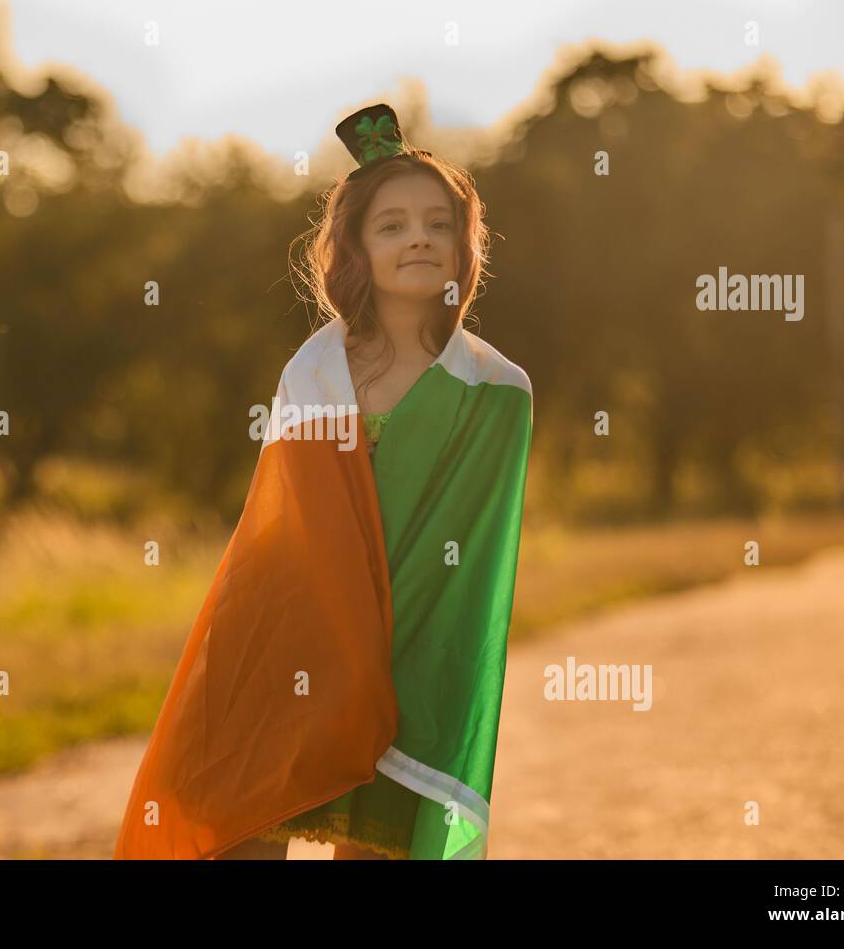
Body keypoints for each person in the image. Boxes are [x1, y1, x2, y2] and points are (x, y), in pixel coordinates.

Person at [114, 103, 534, 861]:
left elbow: (468, 556)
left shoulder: (497, 389)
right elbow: (286, 524)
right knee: (240, 812)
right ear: (356, 249)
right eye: (392, 225)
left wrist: (384, 654)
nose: (418, 238)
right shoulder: (314, 371)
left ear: (466, 248)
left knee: (382, 836)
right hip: (297, 628)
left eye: (439, 224)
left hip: (417, 643)